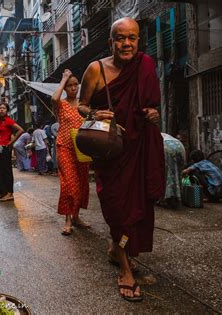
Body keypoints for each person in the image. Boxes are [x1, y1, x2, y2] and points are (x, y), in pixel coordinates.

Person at [78, 17, 165, 301]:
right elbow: (80, 105)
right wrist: (93, 114)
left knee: (137, 207)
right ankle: (125, 270)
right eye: (120, 38)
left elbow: (152, 105)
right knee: (117, 209)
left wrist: (153, 114)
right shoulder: (96, 69)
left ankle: (119, 251)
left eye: (132, 38)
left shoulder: (146, 66)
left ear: (139, 40)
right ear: (111, 41)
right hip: (112, 153)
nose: (126, 44)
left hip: (139, 150)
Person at [52, 70, 90, 235]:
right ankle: (67, 220)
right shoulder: (61, 105)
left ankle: (76, 216)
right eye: (70, 85)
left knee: (81, 184)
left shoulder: (84, 106)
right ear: (65, 88)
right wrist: (64, 78)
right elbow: (54, 98)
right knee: (69, 184)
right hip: (65, 147)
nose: (73, 88)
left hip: (82, 149)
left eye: (76, 85)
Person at [0, 103, 24, 201]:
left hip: (5, 148)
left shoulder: (8, 120)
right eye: (0, 108)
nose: (2, 110)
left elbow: (20, 130)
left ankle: (10, 193)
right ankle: (3, 192)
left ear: (7, 110)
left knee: (7, 171)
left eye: (4, 108)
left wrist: (11, 143)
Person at [161, 133, 186, 208]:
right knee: (176, 174)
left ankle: (165, 199)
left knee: (165, 175)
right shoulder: (164, 134)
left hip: (165, 147)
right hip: (179, 146)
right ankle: (177, 197)